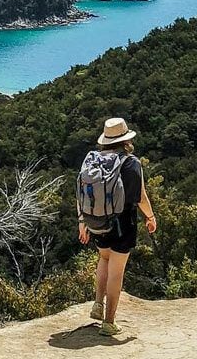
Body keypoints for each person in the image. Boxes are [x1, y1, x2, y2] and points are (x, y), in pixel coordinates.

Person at [77, 117, 157, 336]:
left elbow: (81, 191)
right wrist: (150, 217)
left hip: (97, 221)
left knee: (104, 258)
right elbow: (140, 196)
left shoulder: (93, 159)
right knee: (116, 272)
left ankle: (97, 304)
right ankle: (109, 322)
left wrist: (82, 221)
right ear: (126, 140)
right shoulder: (131, 162)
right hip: (123, 222)